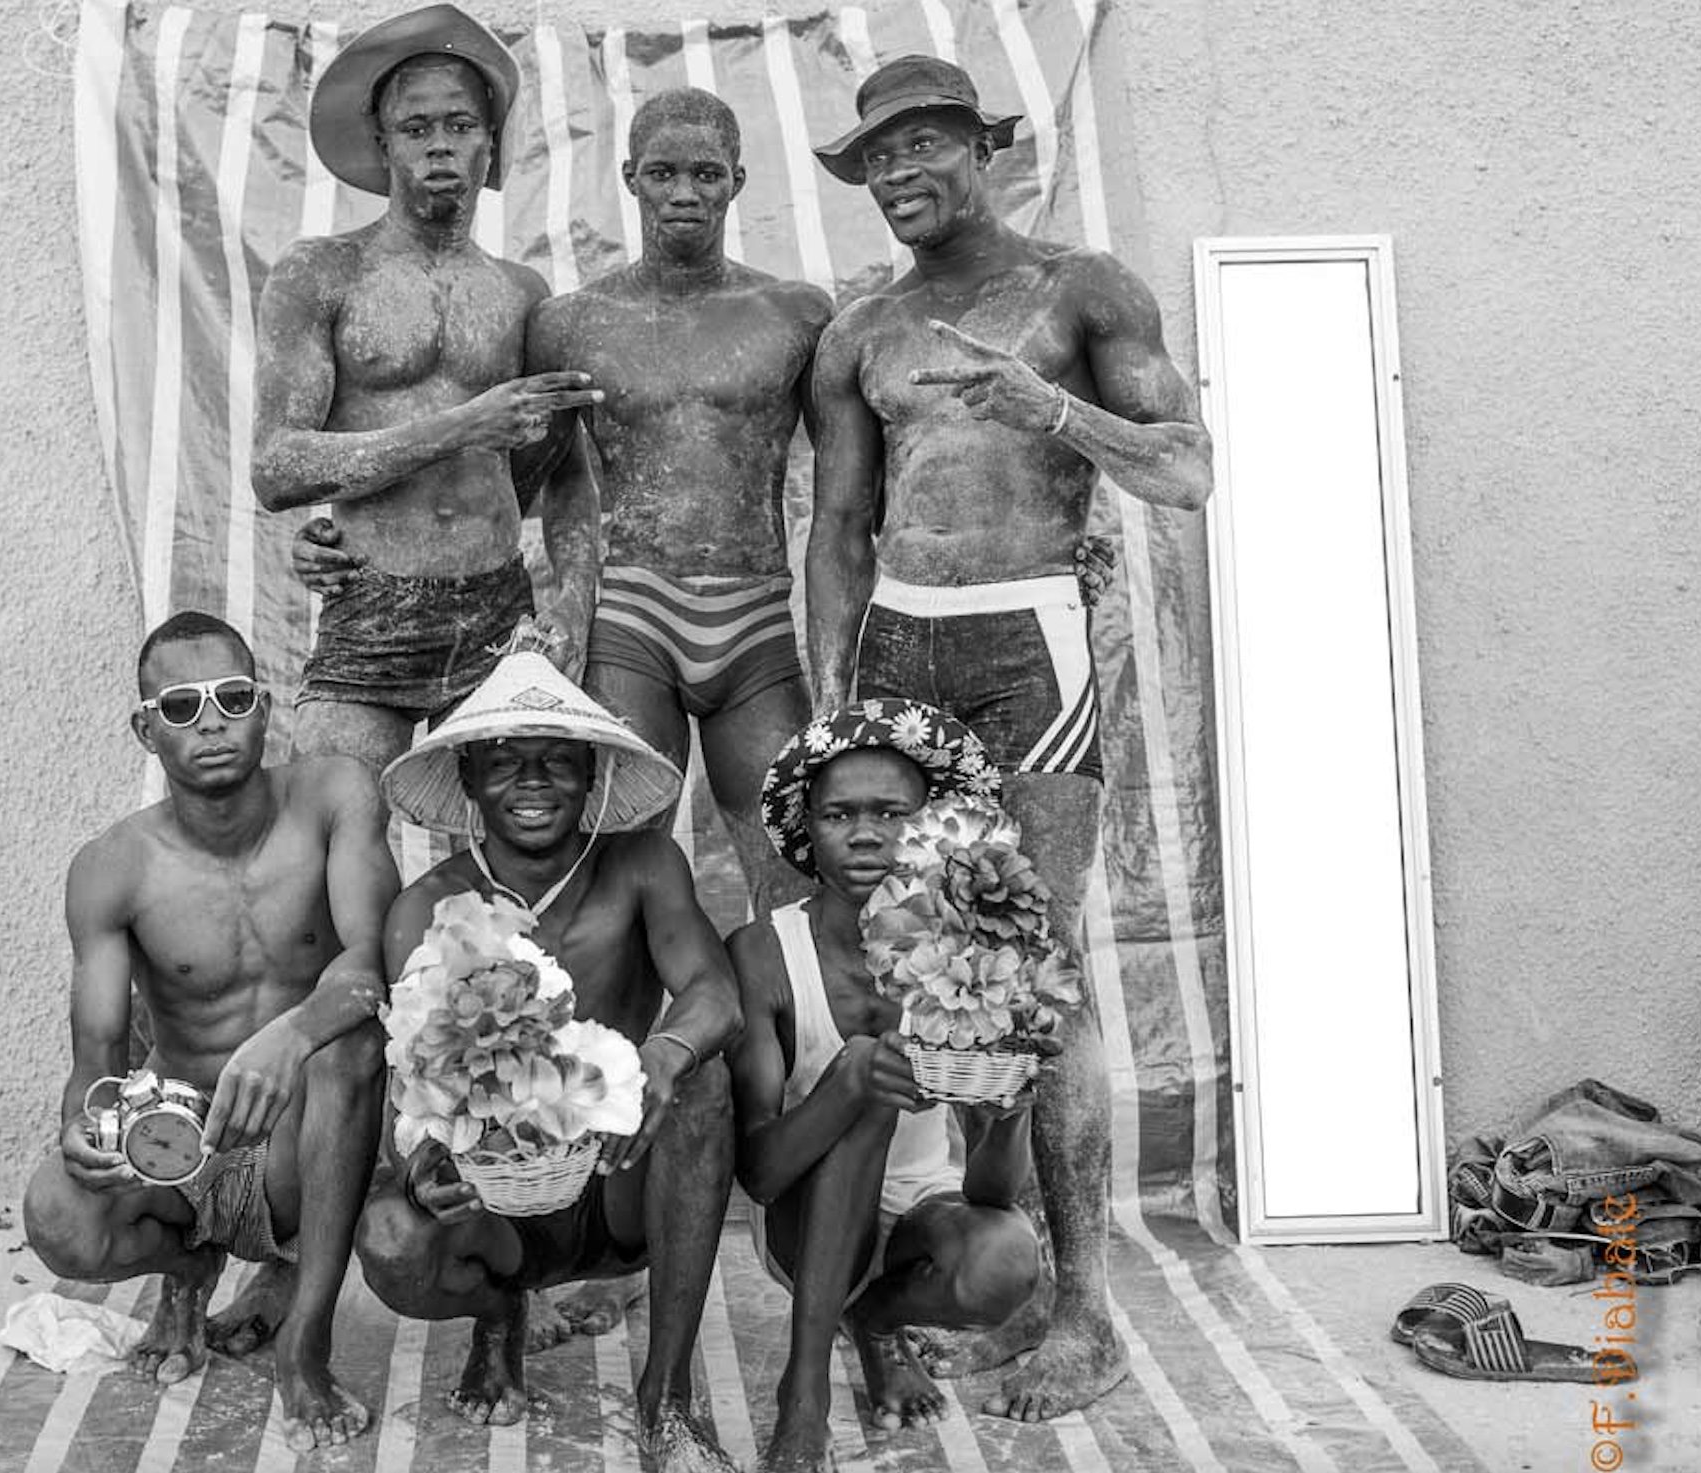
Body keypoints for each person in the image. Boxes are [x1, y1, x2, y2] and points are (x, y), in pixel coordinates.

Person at [803, 57, 1212, 1421]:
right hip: (895, 647)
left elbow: (1182, 471)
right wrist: (832, 690)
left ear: (983, 147)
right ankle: (1001, 1266)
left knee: (1042, 966)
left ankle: (1083, 1312)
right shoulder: (862, 326)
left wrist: (1055, 411)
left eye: (924, 143)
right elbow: (840, 529)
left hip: (1025, 637)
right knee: (934, 967)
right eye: (878, 158)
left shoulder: (1079, 291)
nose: (902, 173)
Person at [297, 87, 830, 919]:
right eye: (662, 173)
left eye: (703, 173)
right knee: (608, 862)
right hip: (631, 617)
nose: (683, 193)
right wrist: (352, 530)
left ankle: (788, 1045)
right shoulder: (572, 322)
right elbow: (518, 476)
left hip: (754, 615)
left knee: (789, 851)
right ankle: (601, 1049)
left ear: (738, 181)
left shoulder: (797, 313)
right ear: (629, 178)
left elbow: (852, 486)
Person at [353, 625, 742, 1471]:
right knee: (389, 1238)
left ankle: (666, 1398)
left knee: (705, 1085)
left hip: (616, 1182)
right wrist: (423, 1163)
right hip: (495, 1201)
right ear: (467, 779)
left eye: (557, 760)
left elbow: (714, 991)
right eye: (503, 760)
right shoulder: (428, 902)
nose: (532, 782)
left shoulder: (643, 864)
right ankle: (500, 1317)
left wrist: (666, 1056)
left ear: (593, 773)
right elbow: (406, 1084)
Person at [20, 611, 398, 1448]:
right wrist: (83, 1129)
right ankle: (186, 1266)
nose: (212, 721)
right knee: (57, 1211)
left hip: (311, 1138)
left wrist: (292, 1035)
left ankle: (304, 1337)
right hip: (181, 1135)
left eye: (232, 697)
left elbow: (375, 963)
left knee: (352, 1051)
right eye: (181, 706)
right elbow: (97, 1058)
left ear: (266, 707)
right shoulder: (110, 867)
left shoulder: (336, 795)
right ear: (144, 728)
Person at [249, 4, 603, 775]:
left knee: (509, 855)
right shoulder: (321, 272)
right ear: (382, 143)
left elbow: (568, 473)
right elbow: (275, 469)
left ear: (490, 141)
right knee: (333, 831)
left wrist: (570, 605)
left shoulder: (519, 292)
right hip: (370, 599)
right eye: (415, 127)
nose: (439, 143)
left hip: (495, 606)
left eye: (460, 123)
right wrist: (457, 428)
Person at [730, 700, 1045, 1471]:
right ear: (808, 826)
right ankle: (802, 1391)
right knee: (869, 1072)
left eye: (891, 813)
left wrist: (1006, 1117)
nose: (866, 832)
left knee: (1004, 1259)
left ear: (929, 825)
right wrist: (844, 1081)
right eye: (839, 813)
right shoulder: (767, 952)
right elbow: (760, 1171)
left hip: (920, 1220)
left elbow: (993, 1192)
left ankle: (872, 1320)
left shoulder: (968, 952)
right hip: (803, 1227)